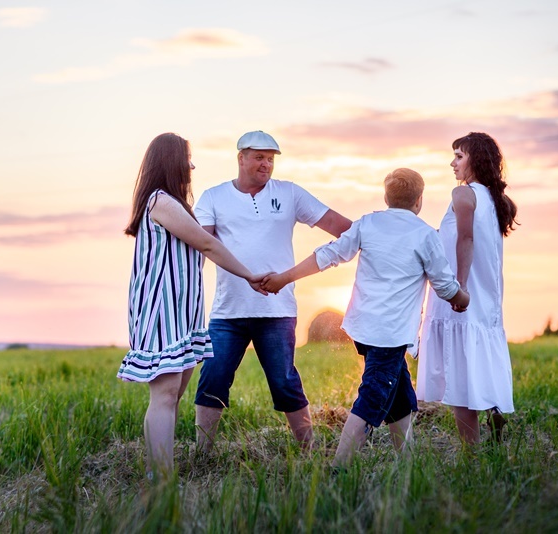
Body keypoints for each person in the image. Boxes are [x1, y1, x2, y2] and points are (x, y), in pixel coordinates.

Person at [263, 168, 470, 466]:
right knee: (373, 394)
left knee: (398, 395)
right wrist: (462, 299)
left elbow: (328, 255)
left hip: (363, 330)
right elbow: (445, 285)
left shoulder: (367, 223)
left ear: (386, 197)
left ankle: (408, 466)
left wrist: (285, 277)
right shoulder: (425, 234)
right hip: (391, 333)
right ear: (419, 201)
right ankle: (339, 468)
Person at [117, 133, 268, 479]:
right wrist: (249, 275)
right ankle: (162, 481)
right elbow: (207, 244)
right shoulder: (160, 202)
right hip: (161, 310)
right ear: (170, 160)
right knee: (166, 395)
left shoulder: (173, 203)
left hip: (181, 310)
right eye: (187, 158)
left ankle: (162, 472)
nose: (192, 165)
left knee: (173, 394)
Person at [193, 130, 353, 451]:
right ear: (241, 158)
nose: (266, 165)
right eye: (259, 158)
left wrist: (381, 232)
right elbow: (201, 246)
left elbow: (342, 227)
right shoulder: (213, 197)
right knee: (213, 380)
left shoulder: (291, 194)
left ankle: (308, 451)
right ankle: (201, 454)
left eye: (270, 159)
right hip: (228, 313)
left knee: (284, 382)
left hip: (277, 311)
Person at [416, 132, 518, 445]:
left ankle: (470, 456)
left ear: (476, 159)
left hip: (465, 293)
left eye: (459, 156)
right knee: (481, 361)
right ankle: (494, 412)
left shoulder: (463, 195)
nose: (452, 163)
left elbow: (466, 239)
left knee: (460, 376)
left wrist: (458, 287)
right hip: (488, 297)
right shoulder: (497, 200)